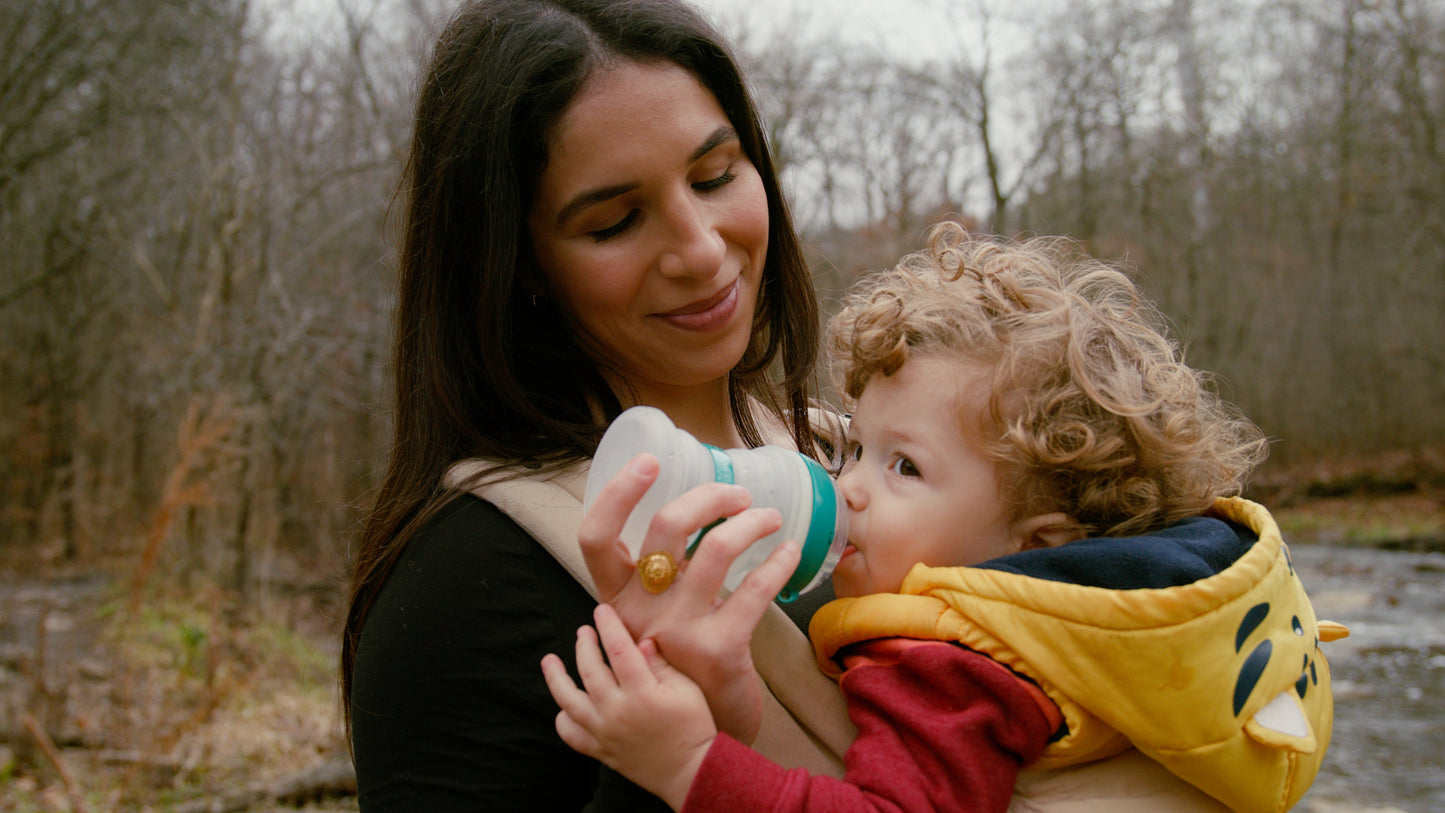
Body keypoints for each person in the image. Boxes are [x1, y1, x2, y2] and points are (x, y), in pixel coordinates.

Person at [541, 223, 1349, 813]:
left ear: (1035, 541)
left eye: (904, 466)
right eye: (856, 447)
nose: (848, 487)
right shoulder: (1123, 599)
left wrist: (686, 762)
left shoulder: (957, 668)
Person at [340, 1, 856, 809]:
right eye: (615, 221)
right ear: (519, 262)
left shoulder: (858, 463)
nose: (700, 249)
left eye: (715, 175)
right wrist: (683, 762)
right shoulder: (468, 578)